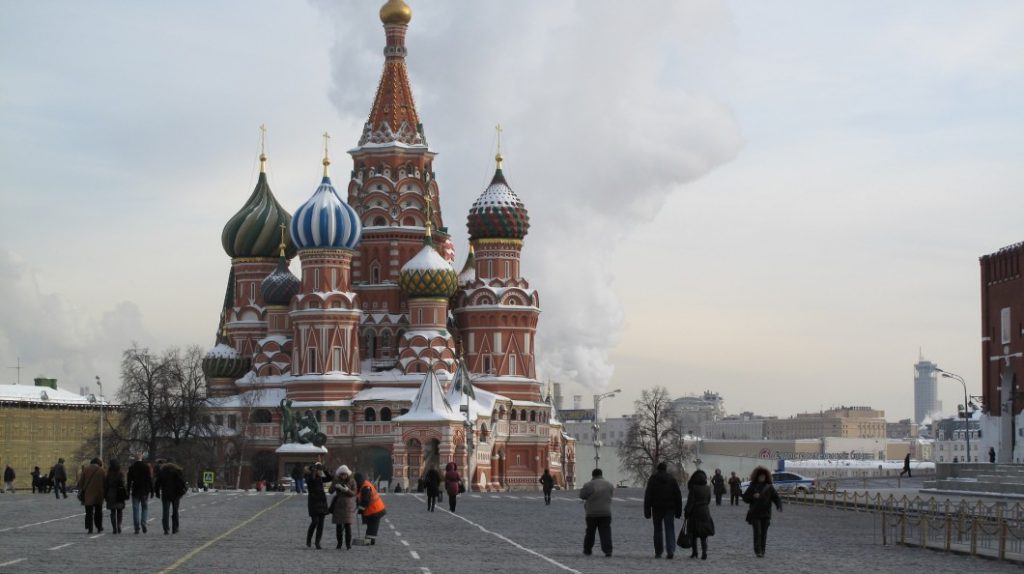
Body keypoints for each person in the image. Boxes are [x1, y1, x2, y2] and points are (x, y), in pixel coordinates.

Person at [642, 462, 681, 559]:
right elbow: (678, 495)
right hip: (670, 508)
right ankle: (670, 550)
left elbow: (648, 495)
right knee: (670, 529)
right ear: (665, 469)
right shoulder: (672, 479)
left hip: (657, 508)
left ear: (658, 469)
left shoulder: (653, 479)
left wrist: (647, 511)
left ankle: (658, 552)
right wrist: (678, 511)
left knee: (657, 530)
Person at [743, 466, 782, 558]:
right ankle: (758, 551)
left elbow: (776, 497)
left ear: (766, 477)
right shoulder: (752, 486)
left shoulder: (769, 487)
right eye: (760, 476)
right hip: (755, 513)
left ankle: (763, 550)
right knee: (757, 532)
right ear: (757, 477)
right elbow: (745, 498)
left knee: (764, 533)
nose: (762, 478)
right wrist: (753, 496)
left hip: (766, 513)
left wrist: (778, 505)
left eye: (763, 476)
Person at [579, 468, 614, 557]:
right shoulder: (609, 485)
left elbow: (582, 495)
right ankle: (608, 550)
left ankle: (587, 550)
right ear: (601, 474)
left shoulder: (589, 485)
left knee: (590, 532)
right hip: (606, 512)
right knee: (606, 532)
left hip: (592, 513)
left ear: (593, 475)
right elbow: (611, 495)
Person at [684, 470, 715, 560]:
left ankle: (695, 552)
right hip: (705, 511)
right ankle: (704, 552)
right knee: (703, 533)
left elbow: (690, 502)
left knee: (693, 532)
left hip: (695, 511)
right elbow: (708, 500)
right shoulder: (708, 488)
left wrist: (687, 512)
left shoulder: (694, 488)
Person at [154, 457, 186, 535]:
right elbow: (182, 482)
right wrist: (183, 491)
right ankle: (175, 528)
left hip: (166, 494)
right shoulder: (178, 471)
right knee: (175, 511)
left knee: (165, 511)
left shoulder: (163, 471)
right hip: (176, 494)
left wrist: (157, 492)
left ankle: (166, 529)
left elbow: (157, 483)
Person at [354, 472, 386, 545]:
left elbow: (366, 501)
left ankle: (370, 540)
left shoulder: (365, 487)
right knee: (371, 526)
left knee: (372, 526)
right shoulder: (363, 485)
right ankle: (369, 539)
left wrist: (359, 509)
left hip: (375, 510)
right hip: (374, 510)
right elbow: (360, 498)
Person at [329, 465, 357, 549]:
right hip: (338, 506)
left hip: (348, 506)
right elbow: (330, 491)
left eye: (345, 474)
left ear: (348, 474)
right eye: (341, 474)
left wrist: (347, 490)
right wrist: (335, 486)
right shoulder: (336, 480)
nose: (343, 476)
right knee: (338, 526)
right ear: (339, 474)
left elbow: (354, 493)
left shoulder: (352, 481)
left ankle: (348, 544)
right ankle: (339, 543)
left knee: (347, 526)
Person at [127, 454, 153, 534]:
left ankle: (136, 528)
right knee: (144, 508)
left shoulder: (132, 467)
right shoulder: (146, 467)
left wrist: (128, 491)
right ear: (141, 458)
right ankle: (143, 523)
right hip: (144, 491)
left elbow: (129, 481)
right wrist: (152, 490)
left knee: (135, 509)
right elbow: (149, 479)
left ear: (135, 459)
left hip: (135, 491)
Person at [78, 458, 106, 534]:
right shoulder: (101, 470)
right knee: (98, 512)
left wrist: (82, 489)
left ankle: (89, 528)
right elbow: (105, 482)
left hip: (88, 494)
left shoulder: (86, 469)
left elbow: (81, 482)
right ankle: (99, 527)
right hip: (99, 494)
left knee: (89, 512)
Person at [305, 462, 329, 549]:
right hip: (313, 502)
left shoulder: (321, 478)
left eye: (320, 470)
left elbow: (330, 478)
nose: (320, 472)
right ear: (314, 470)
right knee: (315, 521)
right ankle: (309, 539)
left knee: (321, 523)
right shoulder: (309, 477)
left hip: (322, 502)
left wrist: (325, 470)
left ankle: (317, 542)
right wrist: (314, 472)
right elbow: (311, 480)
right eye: (319, 470)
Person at [104, 459, 127, 534]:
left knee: (112, 511)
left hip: (111, 493)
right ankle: (119, 525)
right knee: (119, 511)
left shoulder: (108, 474)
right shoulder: (120, 474)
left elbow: (106, 486)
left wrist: (105, 495)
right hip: (119, 493)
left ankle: (114, 527)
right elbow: (123, 484)